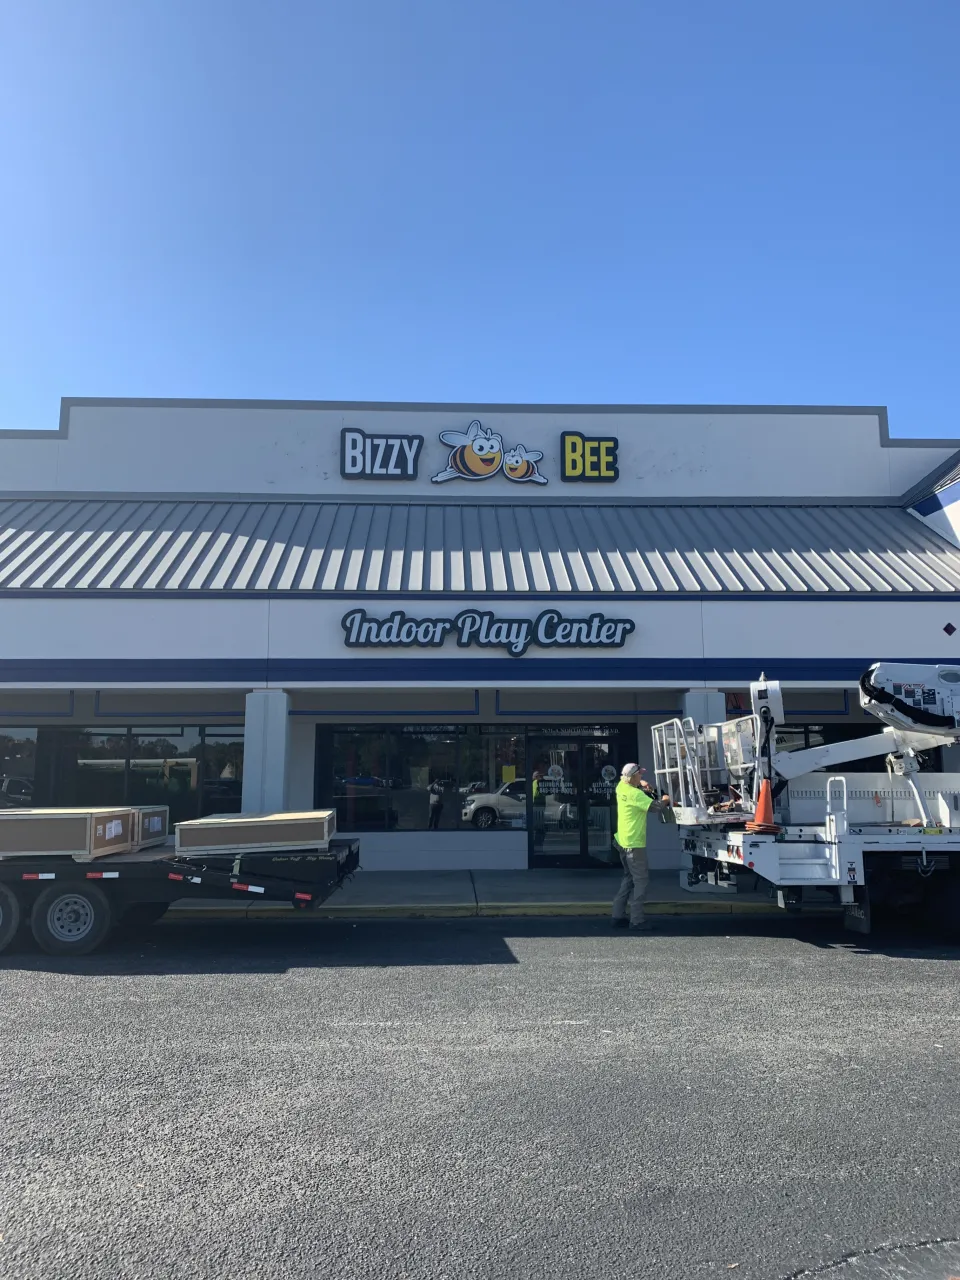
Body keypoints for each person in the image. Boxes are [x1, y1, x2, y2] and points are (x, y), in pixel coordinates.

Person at [611, 763, 671, 932]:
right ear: (633, 776)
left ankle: (617, 915)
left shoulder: (621, 787)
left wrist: (642, 784)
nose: (642, 777)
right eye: (640, 775)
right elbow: (656, 807)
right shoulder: (636, 795)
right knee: (641, 881)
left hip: (622, 841)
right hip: (634, 844)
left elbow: (632, 785)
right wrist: (666, 799)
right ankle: (637, 920)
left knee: (628, 878)